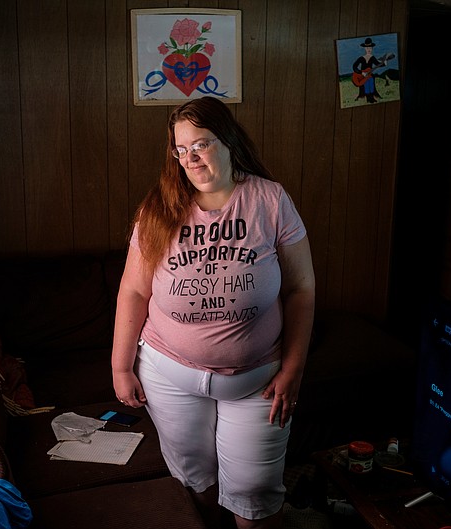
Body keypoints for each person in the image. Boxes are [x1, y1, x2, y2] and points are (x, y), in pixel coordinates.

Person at [111, 96, 315, 529]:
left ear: (228, 141)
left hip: (257, 381)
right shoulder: (158, 209)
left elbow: (301, 288)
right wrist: (120, 366)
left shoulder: (270, 200)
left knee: (255, 501)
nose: (191, 159)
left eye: (200, 144)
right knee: (197, 484)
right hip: (169, 374)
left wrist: (294, 368)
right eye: (180, 150)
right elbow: (132, 290)